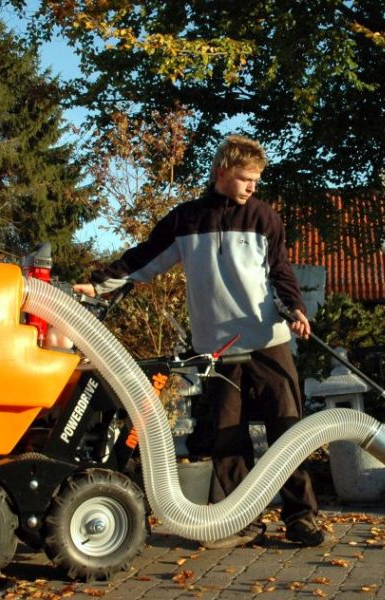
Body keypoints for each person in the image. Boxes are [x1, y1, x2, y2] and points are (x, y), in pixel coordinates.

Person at [72, 135, 325, 548]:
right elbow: (144, 259)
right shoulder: (185, 221)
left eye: (256, 180)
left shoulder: (264, 218)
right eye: (245, 179)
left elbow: (280, 272)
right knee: (228, 436)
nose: (251, 187)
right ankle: (238, 522)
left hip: (268, 341)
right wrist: (98, 285)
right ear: (222, 172)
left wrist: (295, 308)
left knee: (288, 431)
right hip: (218, 349)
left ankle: (302, 518)